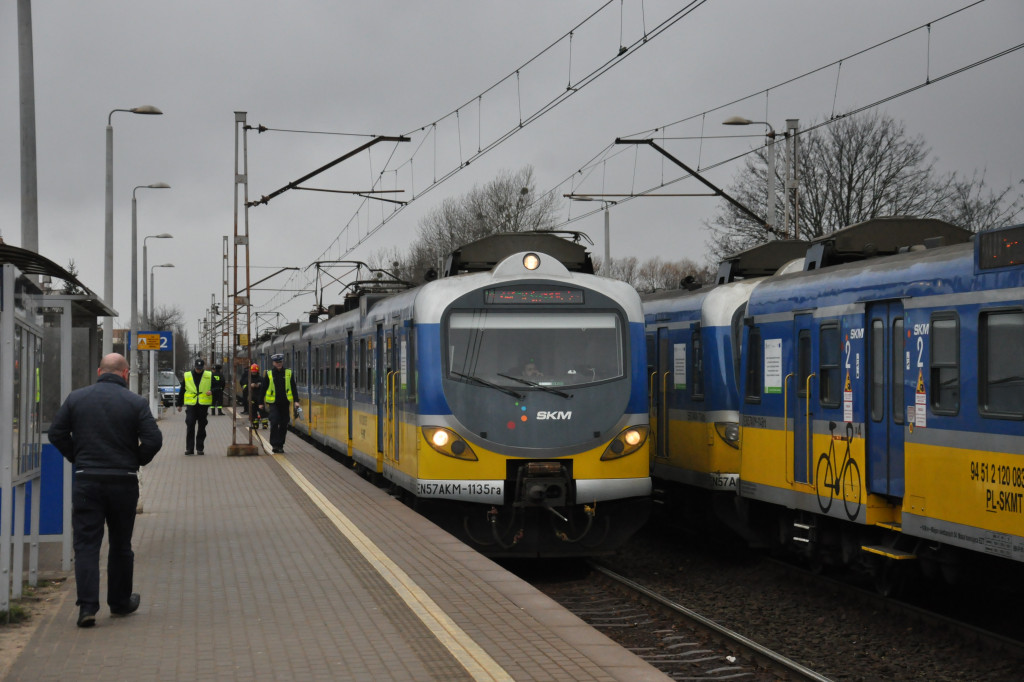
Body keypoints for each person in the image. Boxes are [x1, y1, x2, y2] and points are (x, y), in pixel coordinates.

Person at [48, 353, 163, 628]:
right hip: (123, 482)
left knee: (86, 545)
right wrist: (135, 460)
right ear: (125, 374)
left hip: (88, 481)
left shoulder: (77, 398)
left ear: (100, 371)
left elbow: (56, 433)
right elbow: (153, 440)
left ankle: (87, 607)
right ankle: (120, 603)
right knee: (121, 545)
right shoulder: (135, 402)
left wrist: (77, 457)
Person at [260, 353, 300, 454]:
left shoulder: (288, 373)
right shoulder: (269, 374)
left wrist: (296, 401)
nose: (278, 364)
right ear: (273, 363)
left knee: (284, 423)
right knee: (274, 421)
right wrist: (260, 402)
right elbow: (263, 388)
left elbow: (293, 387)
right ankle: (274, 444)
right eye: (277, 362)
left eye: (280, 362)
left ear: (282, 362)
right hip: (273, 403)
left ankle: (280, 445)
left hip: (285, 403)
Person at [177, 358, 212, 455]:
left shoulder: (208, 375)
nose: (199, 370)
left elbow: (217, 386)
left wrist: (212, 391)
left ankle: (200, 448)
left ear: (203, 367)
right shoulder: (187, 375)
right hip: (191, 404)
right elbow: (182, 389)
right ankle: (189, 448)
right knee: (190, 424)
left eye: (200, 369)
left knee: (202, 426)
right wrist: (179, 404)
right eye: (197, 368)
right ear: (194, 367)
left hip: (203, 405)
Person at [240, 363, 267, 430]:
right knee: (253, 411)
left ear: (257, 371)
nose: (254, 373)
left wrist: (258, 385)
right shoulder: (248, 379)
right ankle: (255, 424)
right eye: (253, 372)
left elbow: (265, 386)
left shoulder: (261, 378)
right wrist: (250, 386)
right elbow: (244, 387)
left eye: (255, 372)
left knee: (262, 411)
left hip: (260, 397)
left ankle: (265, 424)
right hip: (252, 397)